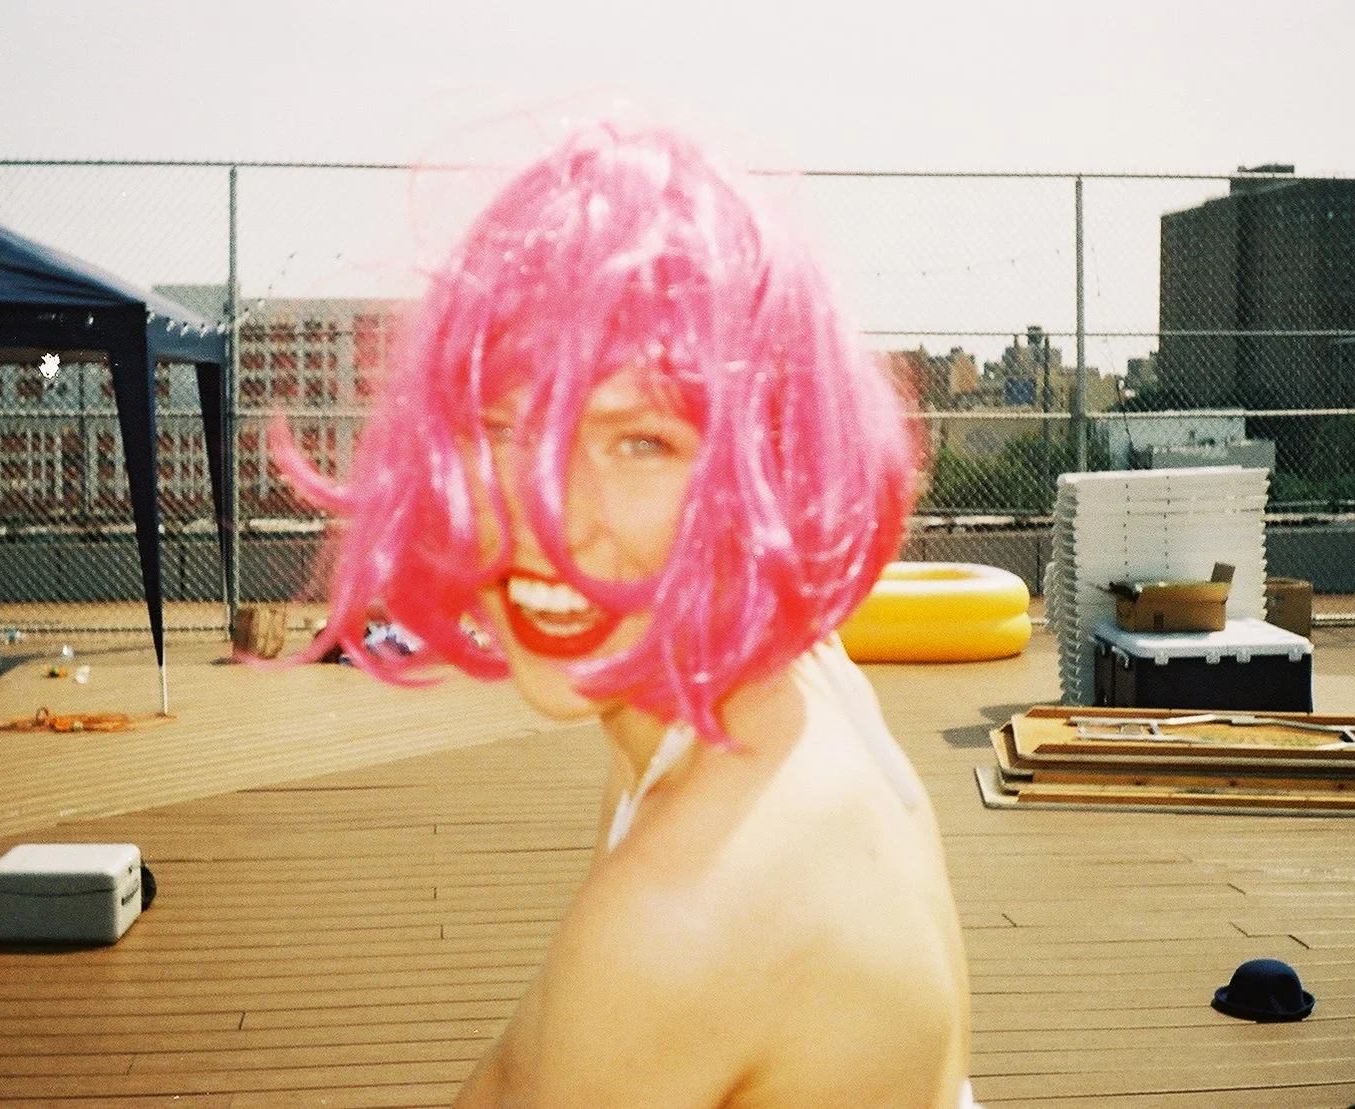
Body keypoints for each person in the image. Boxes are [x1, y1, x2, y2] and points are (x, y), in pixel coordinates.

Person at [276, 121, 975, 1107]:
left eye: (638, 440)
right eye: (504, 427)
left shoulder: (681, 915)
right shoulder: (770, 693)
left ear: (760, 465)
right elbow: (518, 1067)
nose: (546, 520)